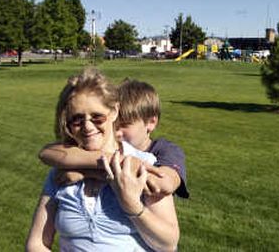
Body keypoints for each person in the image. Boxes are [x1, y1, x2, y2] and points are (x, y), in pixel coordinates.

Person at [26, 69, 179, 251]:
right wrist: (88, 170)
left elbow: (168, 244)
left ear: (114, 112)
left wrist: (133, 206)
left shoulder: (142, 163)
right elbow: (37, 243)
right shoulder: (61, 171)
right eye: (77, 119)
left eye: (97, 117)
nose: (87, 126)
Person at [39, 79, 189, 199]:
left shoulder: (165, 151)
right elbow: (48, 152)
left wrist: (86, 172)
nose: (115, 132)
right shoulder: (112, 148)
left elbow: (163, 184)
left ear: (151, 122)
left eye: (123, 125)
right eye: (112, 123)